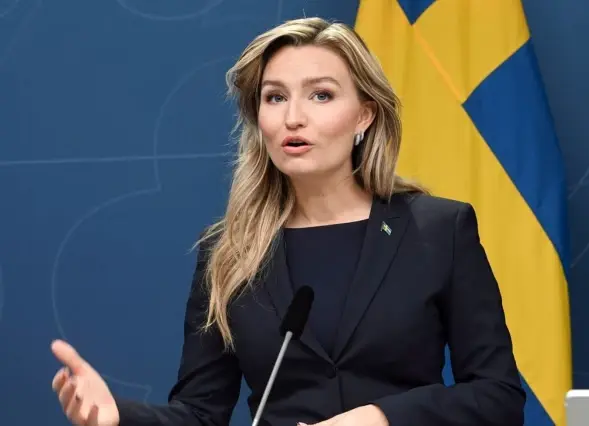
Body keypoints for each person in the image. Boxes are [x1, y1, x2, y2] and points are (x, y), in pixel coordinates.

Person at [50, 17, 526, 426]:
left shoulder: (439, 230)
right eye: (275, 98)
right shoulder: (228, 251)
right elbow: (200, 412)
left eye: (321, 95)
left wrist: (380, 417)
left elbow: (498, 397)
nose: (293, 118)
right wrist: (119, 416)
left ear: (364, 115)